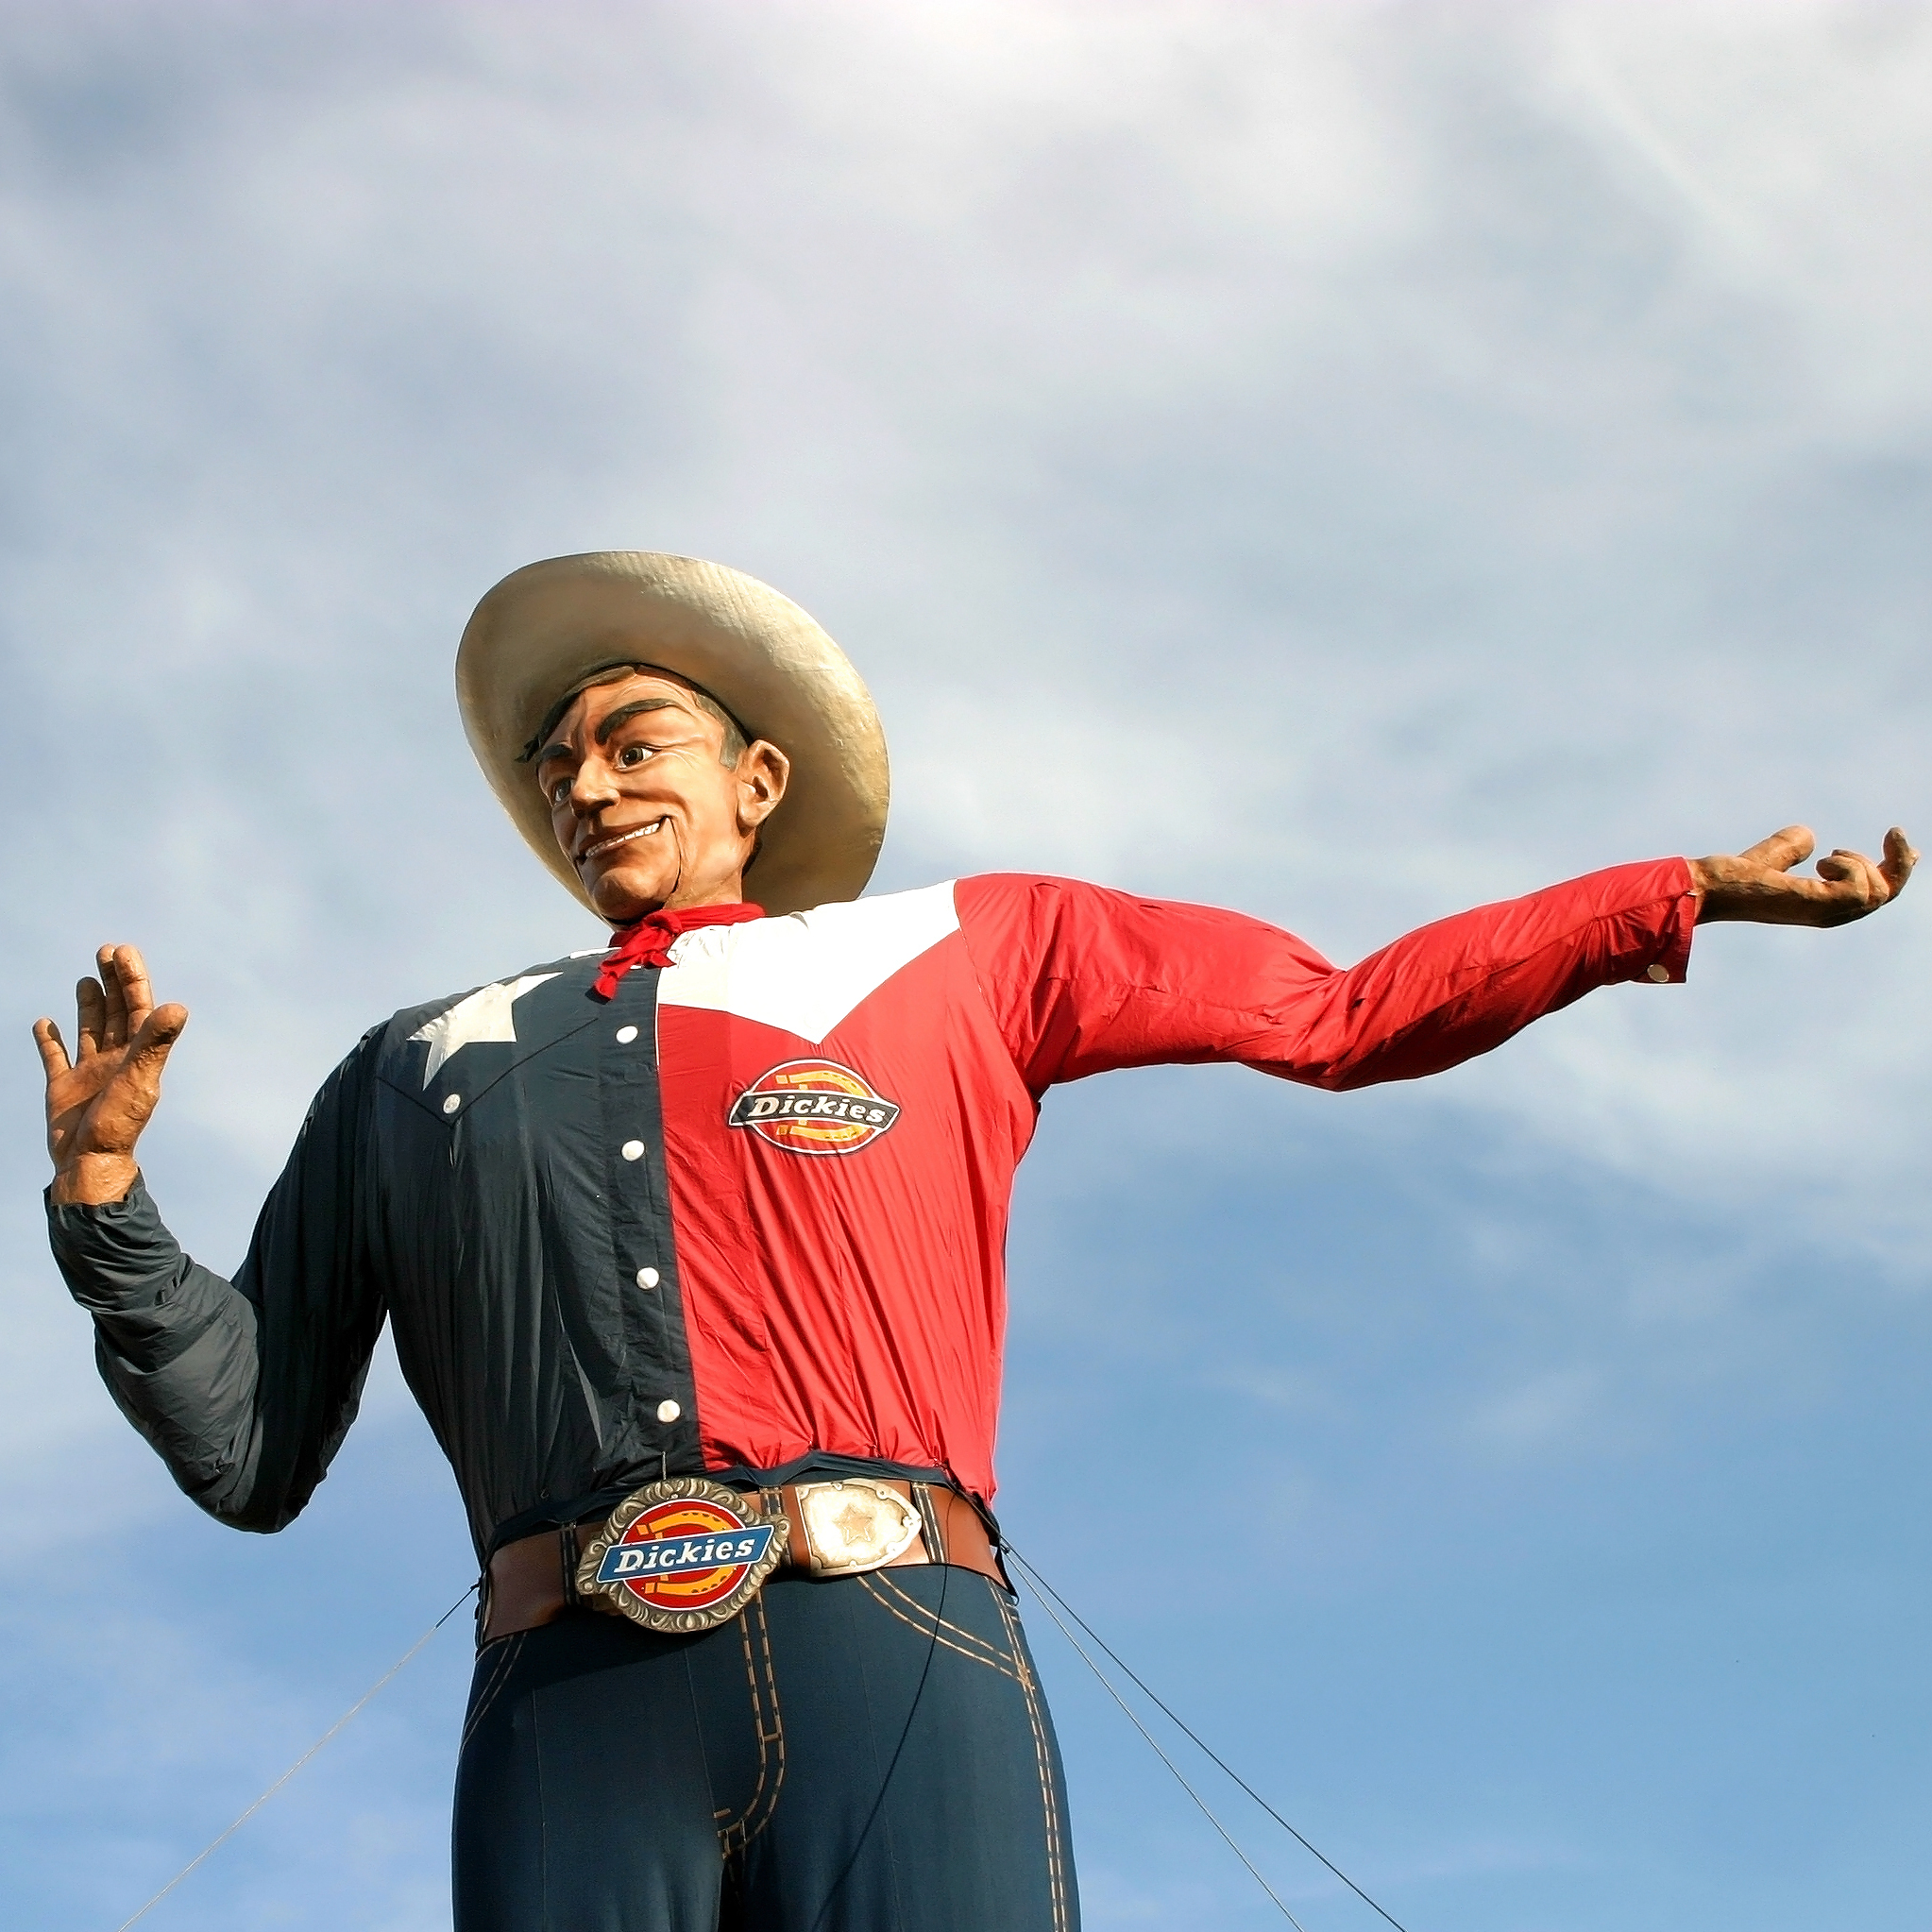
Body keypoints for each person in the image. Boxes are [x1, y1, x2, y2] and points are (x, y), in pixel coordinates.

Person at [37, 552, 1914, 1932]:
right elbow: (251, 1443)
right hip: (566, 1714)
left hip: (901, 1654)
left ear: (757, 780)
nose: (586, 781)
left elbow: (1339, 1011)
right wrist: (108, 1201)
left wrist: (1660, 897)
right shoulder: (416, 1068)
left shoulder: (966, 946)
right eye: (553, 761)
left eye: (633, 738)